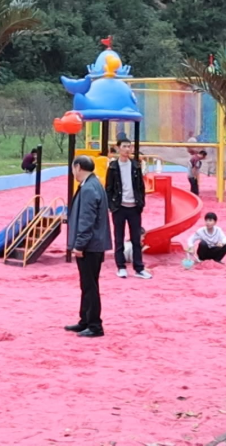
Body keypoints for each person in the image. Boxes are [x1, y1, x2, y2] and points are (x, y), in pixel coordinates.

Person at [64, 155, 112, 338]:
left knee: (90, 286)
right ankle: (85, 320)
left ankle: (94, 325)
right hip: (93, 244)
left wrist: (79, 245)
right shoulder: (93, 184)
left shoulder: (89, 188)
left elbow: (87, 220)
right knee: (87, 285)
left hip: (90, 246)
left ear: (77, 167)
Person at [107, 135, 151, 280]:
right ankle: (121, 267)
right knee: (119, 238)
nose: (127, 149)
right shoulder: (113, 167)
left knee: (136, 239)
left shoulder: (136, 166)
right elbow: (109, 188)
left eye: (129, 146)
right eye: (124, 146)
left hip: (134, 207)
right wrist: (112, 206)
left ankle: (139, 268)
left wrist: (141, 203)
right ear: (118, 148)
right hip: (119, 207)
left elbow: (141, 187)